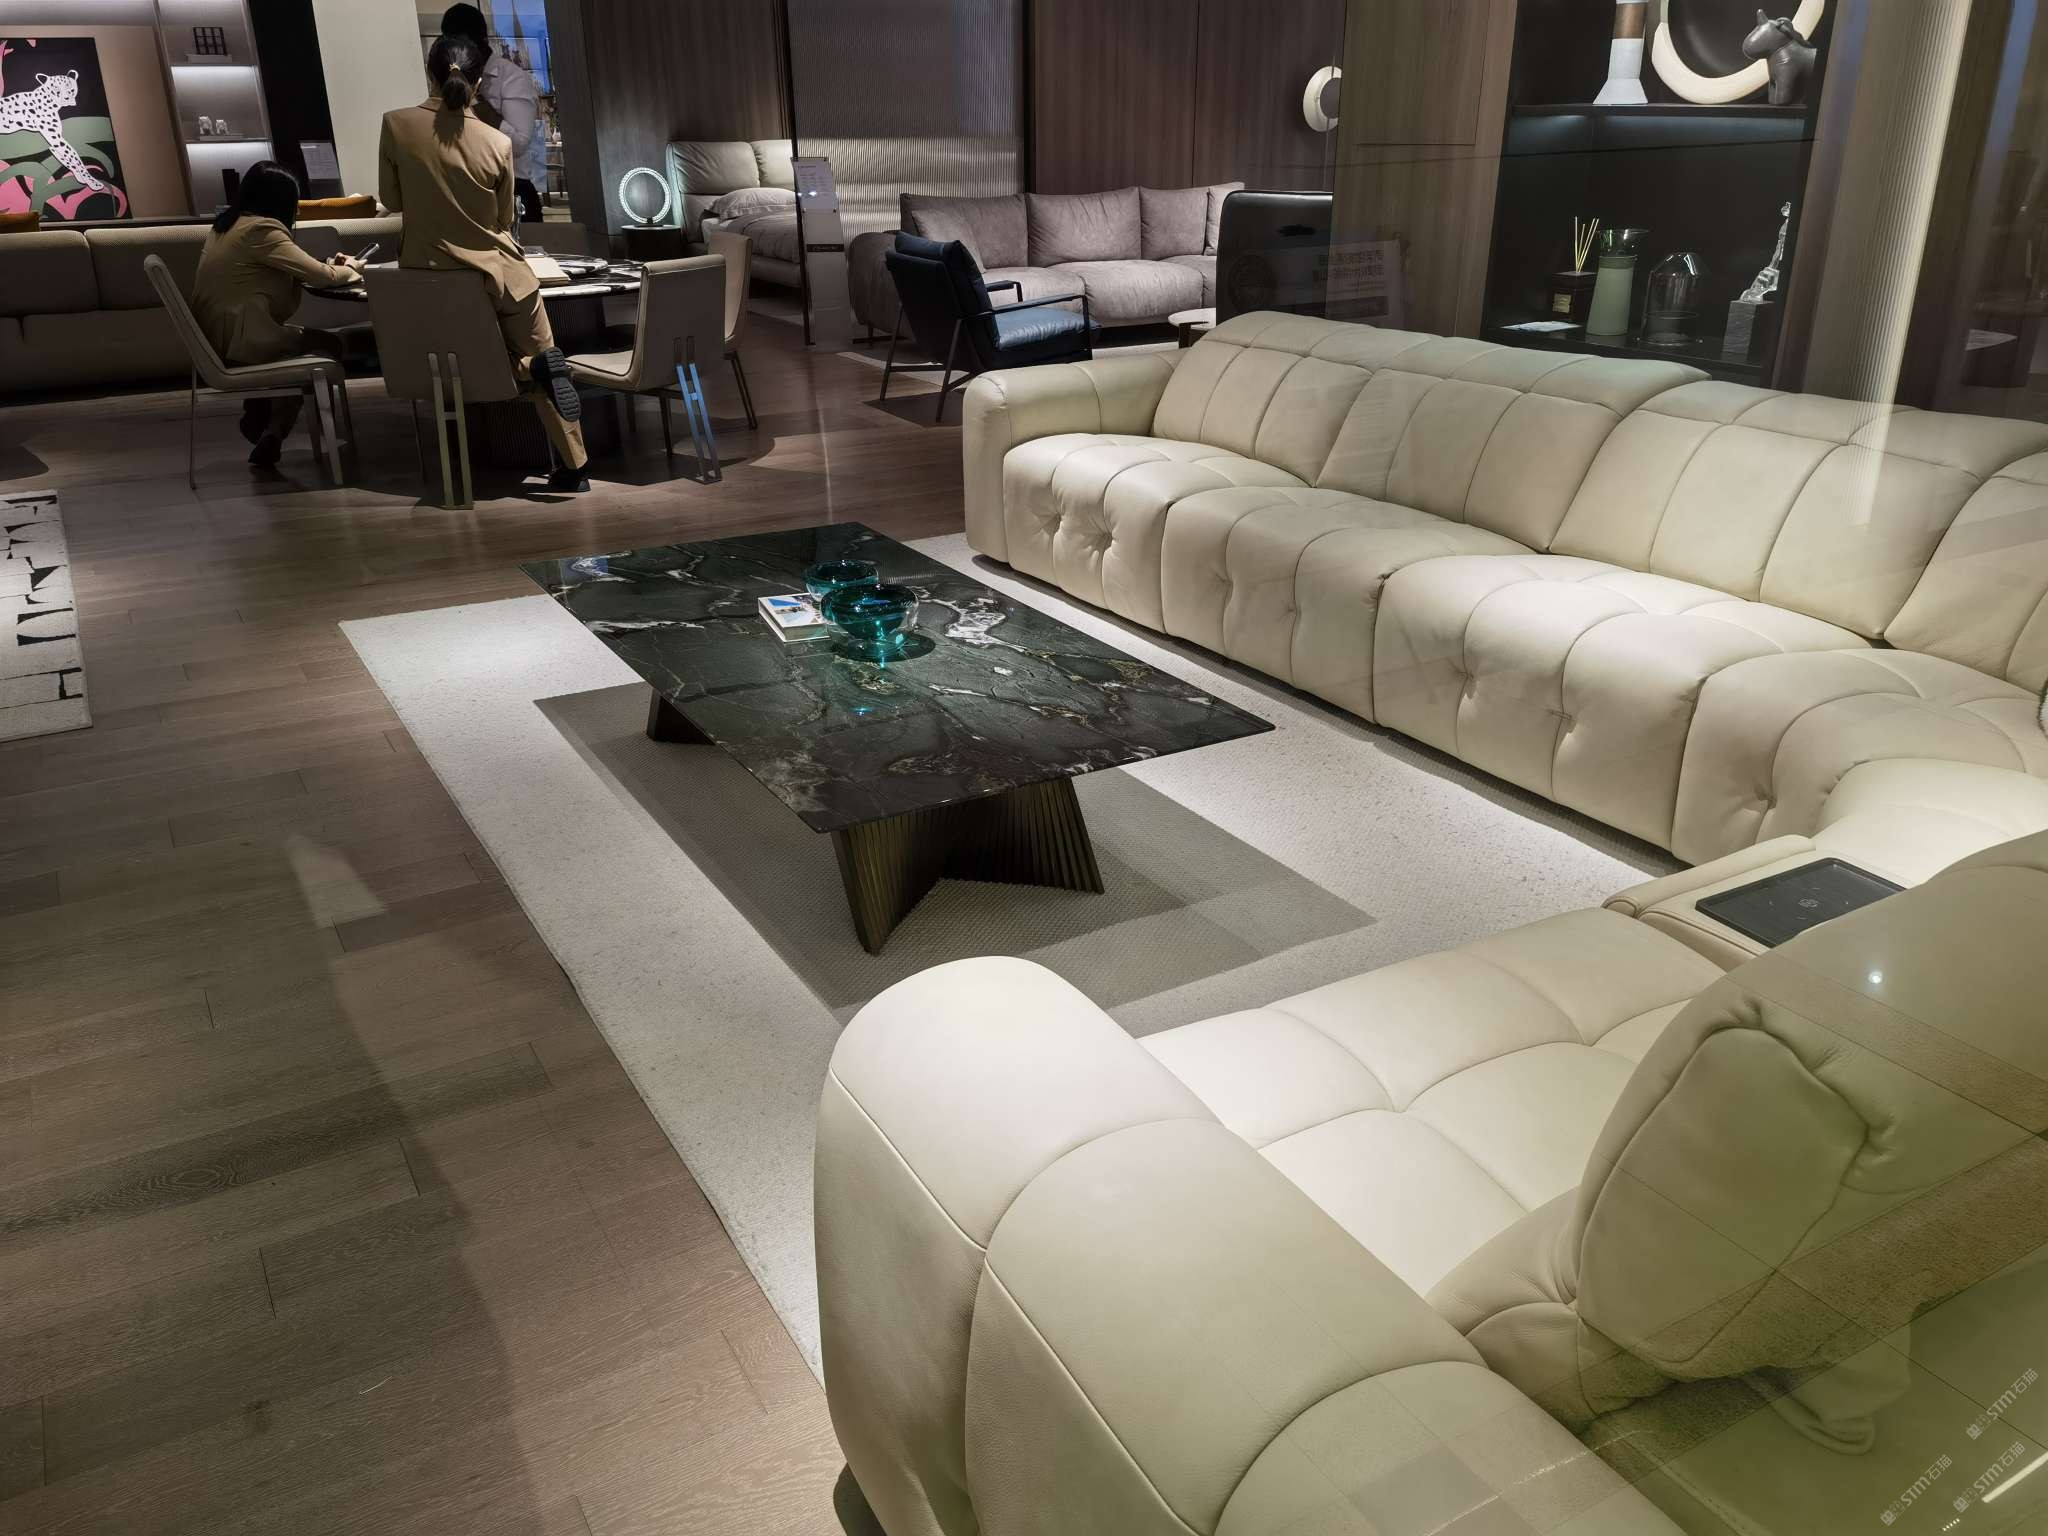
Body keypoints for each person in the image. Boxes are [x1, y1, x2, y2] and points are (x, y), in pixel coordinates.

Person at [378, 31, 589, 492]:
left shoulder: (396, 125)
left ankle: (526, 374)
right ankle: (574, 465)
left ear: (431, 73)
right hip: (506, 274)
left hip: (435, 277)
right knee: (541, 352)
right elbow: (502, 218)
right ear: (477, 84)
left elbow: (391, 200)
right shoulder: (497, 142)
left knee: (461, 365)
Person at [189, 160, 360, 468]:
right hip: (245, 342)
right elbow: (323, 277)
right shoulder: (262, 229)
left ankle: (265, 416)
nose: (297, 213)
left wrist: (326, 268)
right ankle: (272, 426)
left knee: (309, 351)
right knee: (329, 346)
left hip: (215, 342)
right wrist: (350, 268)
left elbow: (295, 269)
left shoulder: (226, 226)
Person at [440, 4, 544, 224]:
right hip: (468, 189)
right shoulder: (450, 80)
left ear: (480, 40)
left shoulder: (511, 77)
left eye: (460, 44)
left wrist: (475, 98)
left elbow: (518, 145)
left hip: (513, 189)